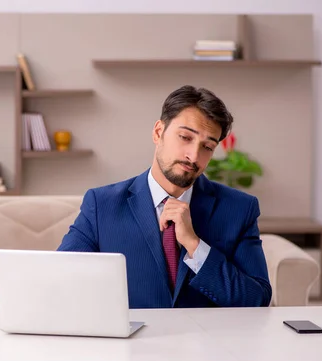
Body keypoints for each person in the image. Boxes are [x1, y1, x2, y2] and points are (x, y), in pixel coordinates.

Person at [57, 85, 272, 308]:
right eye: (185, 137)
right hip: (131, 340)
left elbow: (257, 299)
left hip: (209, 341)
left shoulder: (239, 209)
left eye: (207, 147)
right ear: (158, 132)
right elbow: (60, 279)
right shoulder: (102, 205)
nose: (193, 156)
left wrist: (195, 246)